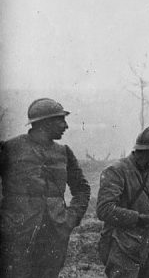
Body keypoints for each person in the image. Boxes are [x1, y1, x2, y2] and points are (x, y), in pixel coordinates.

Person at [0, 98, 91, 278]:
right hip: (16, 235)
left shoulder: (64, 152)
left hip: (55, 235)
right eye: (61, 120)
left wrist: (71, 218)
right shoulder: (10, 148)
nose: (65, 126)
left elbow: (82, 188)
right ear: (44, 123)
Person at [97, 126, 149, 278]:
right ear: (148, 150)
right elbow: (104, 210)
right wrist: (139, 218)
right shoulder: (116, 171)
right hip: (124, 247)